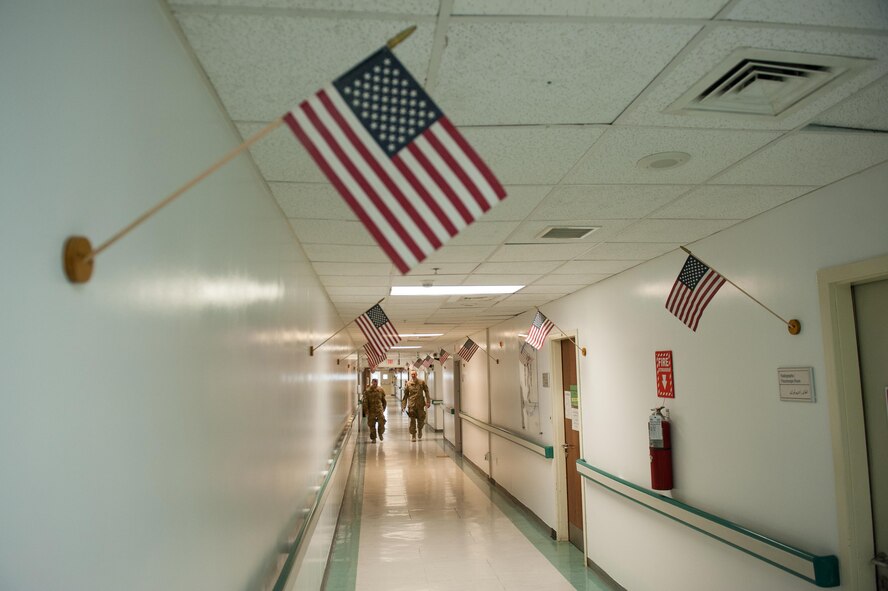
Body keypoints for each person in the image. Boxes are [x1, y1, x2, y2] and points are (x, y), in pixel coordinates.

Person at [402, 371, 430, 441]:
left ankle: (420, 430)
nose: (413, 375)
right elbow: (405, 395)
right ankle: (413, 435)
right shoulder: (408, 383)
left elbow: (426, 391)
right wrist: (403, 405)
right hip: (412, 405)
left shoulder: (421, 382)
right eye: (412, 374)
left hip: (420, 405)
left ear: (416, 374)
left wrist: (428, 401)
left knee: (421, 420)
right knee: (412, 420)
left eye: (414, 374)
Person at [362, 378, 387, 443]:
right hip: (371, 410)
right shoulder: (367, 391)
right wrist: (366, 411)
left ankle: (380, 433)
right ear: (372, 382)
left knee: (382, 422)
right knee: (371, 425)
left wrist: (384, 408)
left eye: (376, 382)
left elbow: (384, 400)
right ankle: (373, 438)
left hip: (379, 410)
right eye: (374, 382)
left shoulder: (381, 390)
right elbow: (365, 402)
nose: (375, 383)